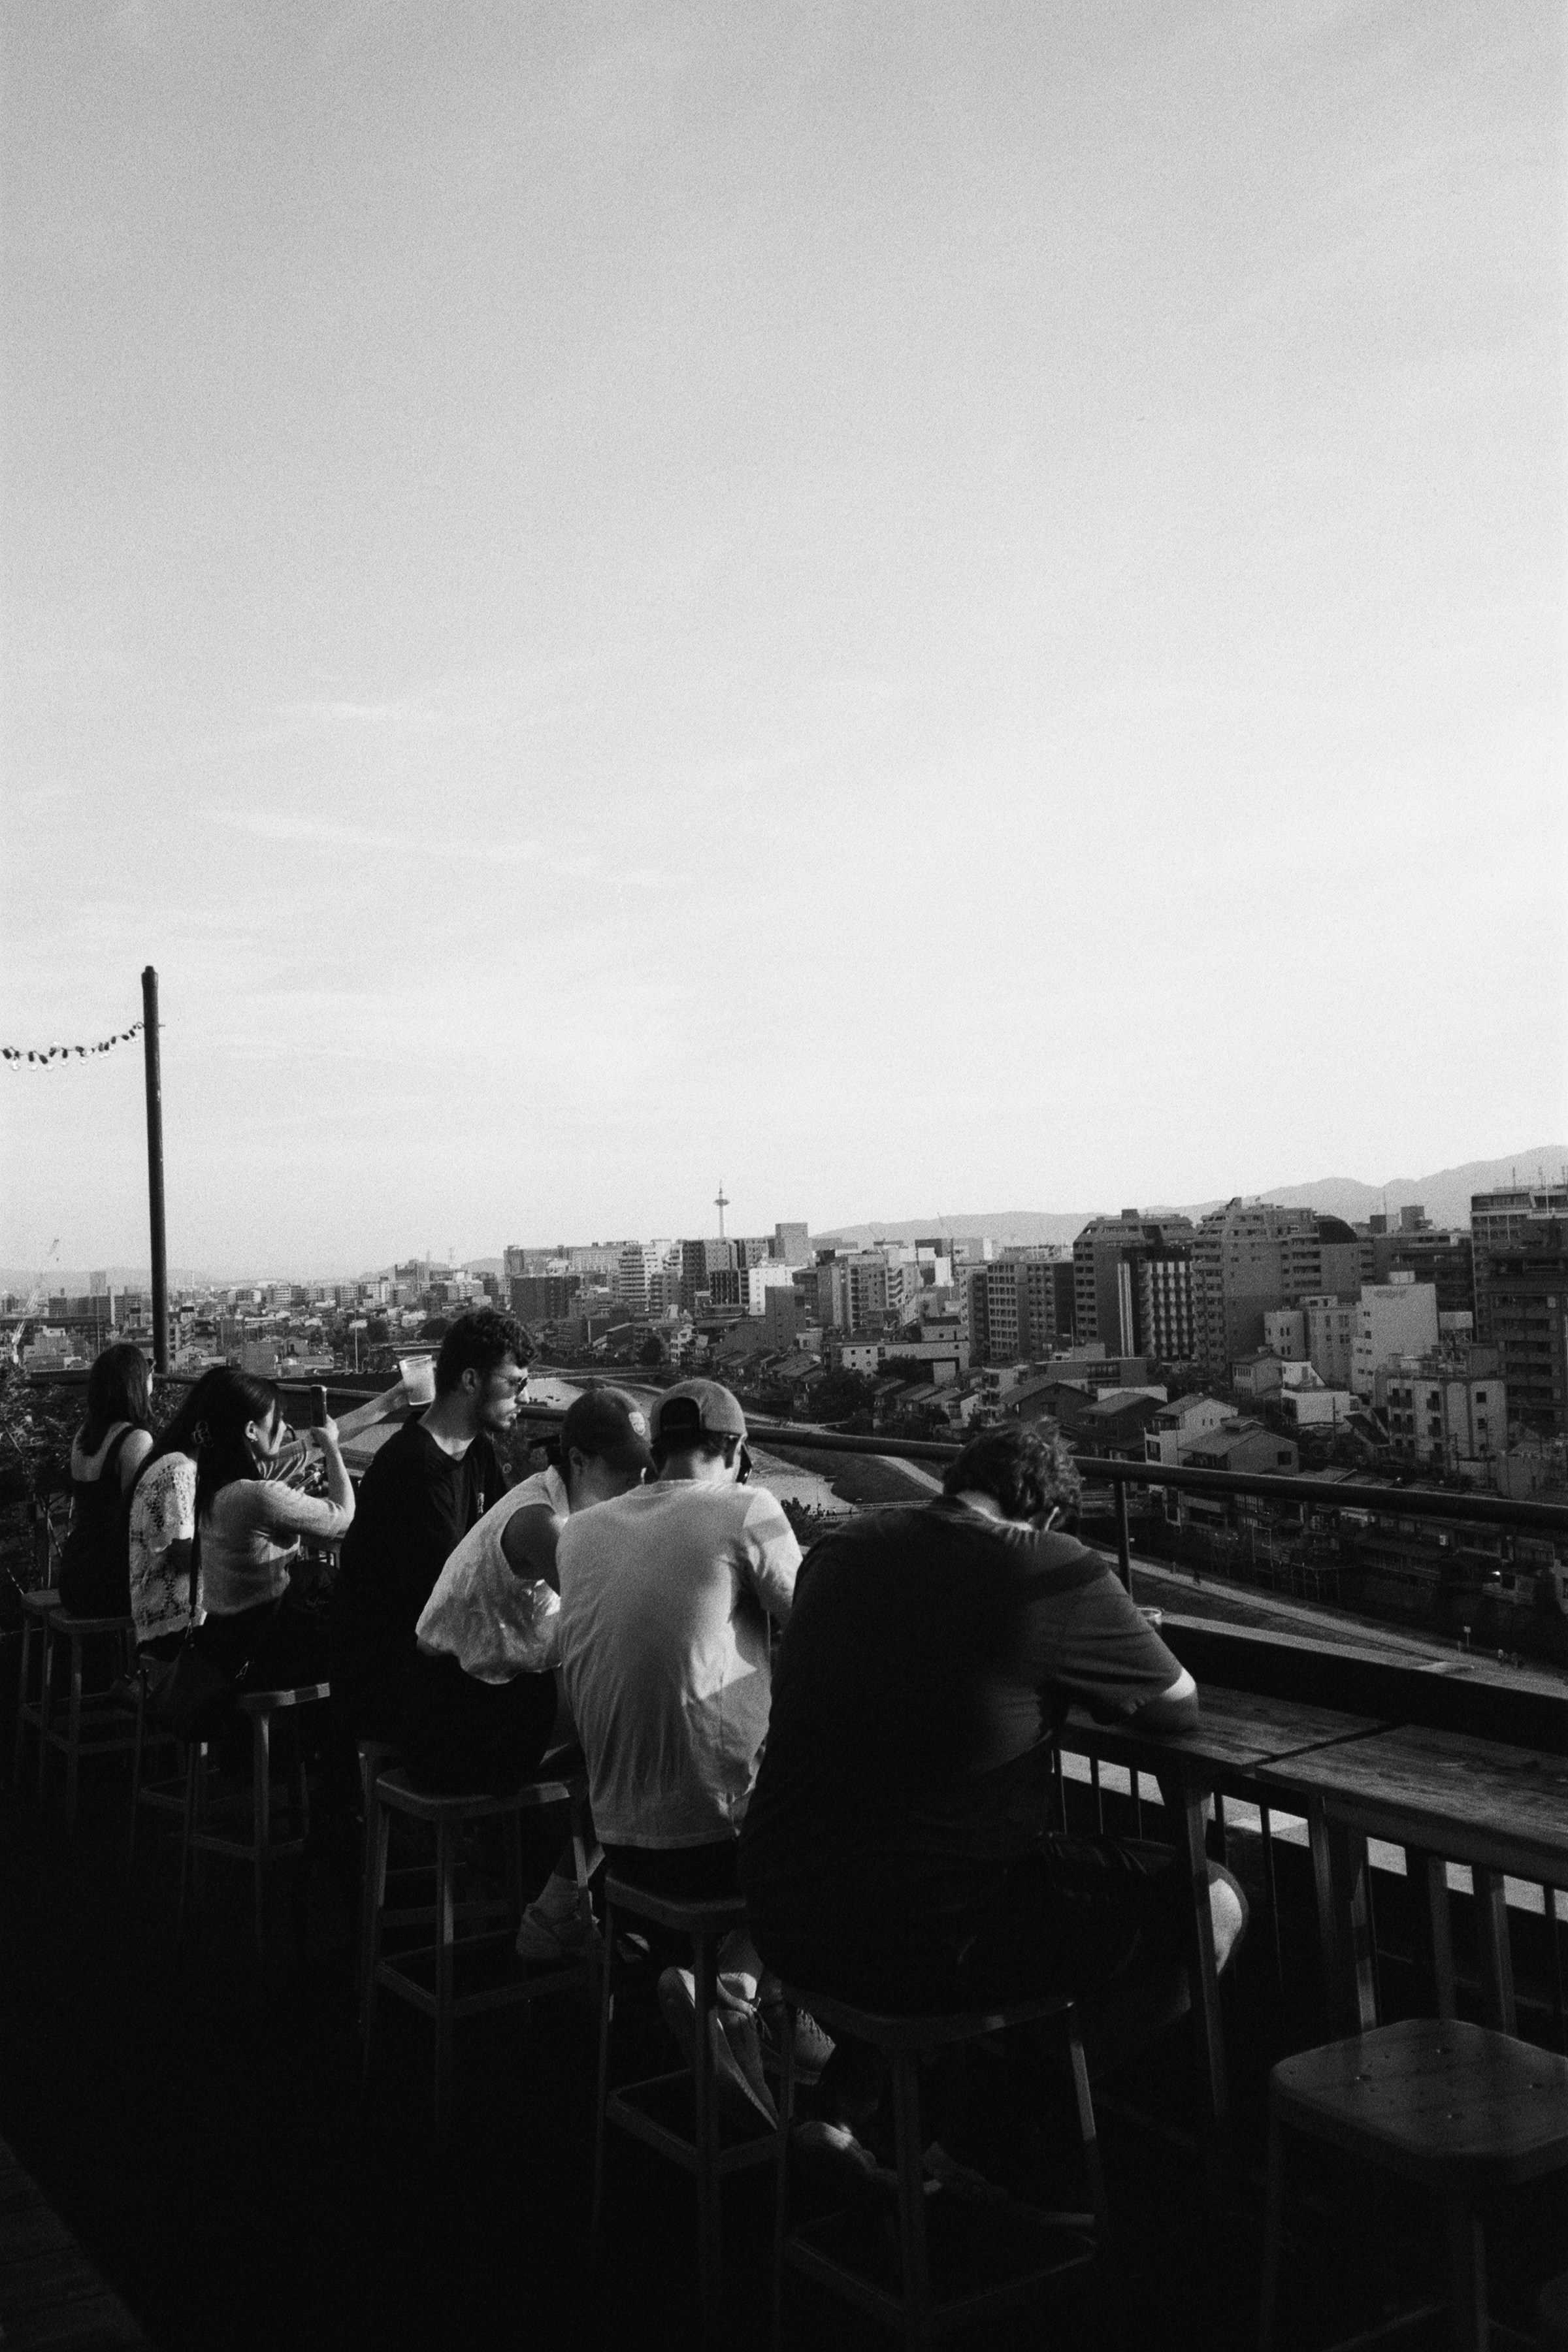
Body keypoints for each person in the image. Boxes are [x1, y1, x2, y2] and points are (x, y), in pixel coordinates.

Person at [739, 1422, 1245, 2141]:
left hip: (780, 1917)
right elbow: (1178, 1705)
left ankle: (843, 2117)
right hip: (915, 1940)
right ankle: (1008, 2138)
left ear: (954, 1482)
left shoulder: (842, 1549)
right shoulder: (1048, 1565)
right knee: (1214, 1901)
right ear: (1048, 1518)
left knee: (906, 1838)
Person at [555, 1379, 811, 2123]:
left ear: (655, 1453)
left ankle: (742, 2022)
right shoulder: (747, 1508)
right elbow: (819, 1625)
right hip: (721, 1851)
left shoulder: (581, 1531)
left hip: (619, 1850)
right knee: (858, 1812)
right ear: (734, 1450)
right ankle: (740, 1983)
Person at [404, 1386, 653, 1801]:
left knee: (631, 1713)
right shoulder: (541, 1522)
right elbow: (609, 1616)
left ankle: (571, 1857)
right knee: (637, 1700)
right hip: (451, 1720)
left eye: (645, 1472)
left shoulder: (567, 1505)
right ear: (577, 1461)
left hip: (481, 1697)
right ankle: (588, 1860)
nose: (639, 1486)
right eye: (625, 1473)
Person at [331, 1308, 528, 1740]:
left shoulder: (476, 1452)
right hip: (397, 1683)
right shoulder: (414, 1467)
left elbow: (511, 1538)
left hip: (438, 1661)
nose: (523, 1398)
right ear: (471, 1381)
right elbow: (454, 1590)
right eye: (514, 1384)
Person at [188, 1369, 354, 1691]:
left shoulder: (212, 1486)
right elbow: (343, 1516)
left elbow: (300, 1452)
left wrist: (392, 1400)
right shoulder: (256, 1495)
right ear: (251, 1430)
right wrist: (333, 1449)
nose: (286, 1427)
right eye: (277, 1417)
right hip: (267, 1655)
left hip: (228, 1647)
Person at [126, 1367, 224, 1659]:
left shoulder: (180, 1464)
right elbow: (184, 1559)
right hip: (179, 1627)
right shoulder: (178, 1470)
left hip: (170, 1622)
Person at [58, 1341, 155, 1616]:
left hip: (76, 1570)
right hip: (111, 1578)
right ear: (135, 1385)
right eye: (147, 1373)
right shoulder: (136, 1440)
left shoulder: (83, 1436)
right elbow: (140, 1520)